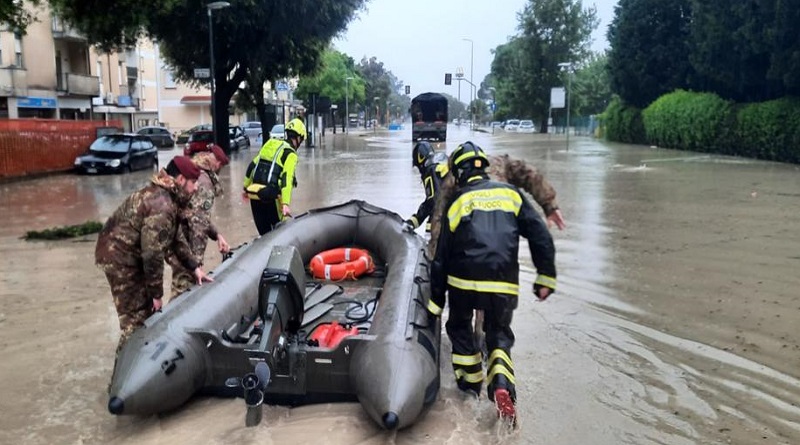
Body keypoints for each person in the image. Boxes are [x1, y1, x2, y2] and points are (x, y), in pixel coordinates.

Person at [428, 141, 557, 425]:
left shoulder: (455, 194)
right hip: (502, 281)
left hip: (464, 280)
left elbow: (440, 250)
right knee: (498, 333)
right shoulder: (511, 191)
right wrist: (545, 277)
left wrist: (435, 300)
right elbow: (540, 235)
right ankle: (499, 381)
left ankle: (469, 392)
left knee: (459, 328)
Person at [95, 156, 213, 351]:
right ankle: (126, 373)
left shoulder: (169, 198)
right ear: (181, 180)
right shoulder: (162, 205)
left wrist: (194, 267)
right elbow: (152, 253)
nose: (195, 189)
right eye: (193, 183)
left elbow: (175, 239)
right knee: (136, 322)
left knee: (146, 316)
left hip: (128, 253)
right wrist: (156, 295)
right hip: (120, 258)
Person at [168, 144, 231, 298]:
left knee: (180, 285)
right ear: (217, 164)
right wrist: (196, 263)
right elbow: (198, 223)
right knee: (183, 290)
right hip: (185, 246)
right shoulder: (205, 182)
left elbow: (194, 213)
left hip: (176, 240)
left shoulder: (195, 170)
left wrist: (217, 235)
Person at [243, 118, 306, 235]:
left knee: (264, 236)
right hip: (271, 198)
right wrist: (285, 204)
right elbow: (287, 178)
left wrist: (245, 188)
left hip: (255, 196)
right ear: (299, 138)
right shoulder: (290, 154)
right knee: (279, 234)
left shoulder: (270, 144)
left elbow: (251, 166)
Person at [404, 141, 450, 233]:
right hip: (454, 215)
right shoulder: (441, 166)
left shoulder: (430, 171)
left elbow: (433, 201)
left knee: (431, 225)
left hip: (443, 220)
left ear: (420, 159)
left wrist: (413, 222)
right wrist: (414, 220)